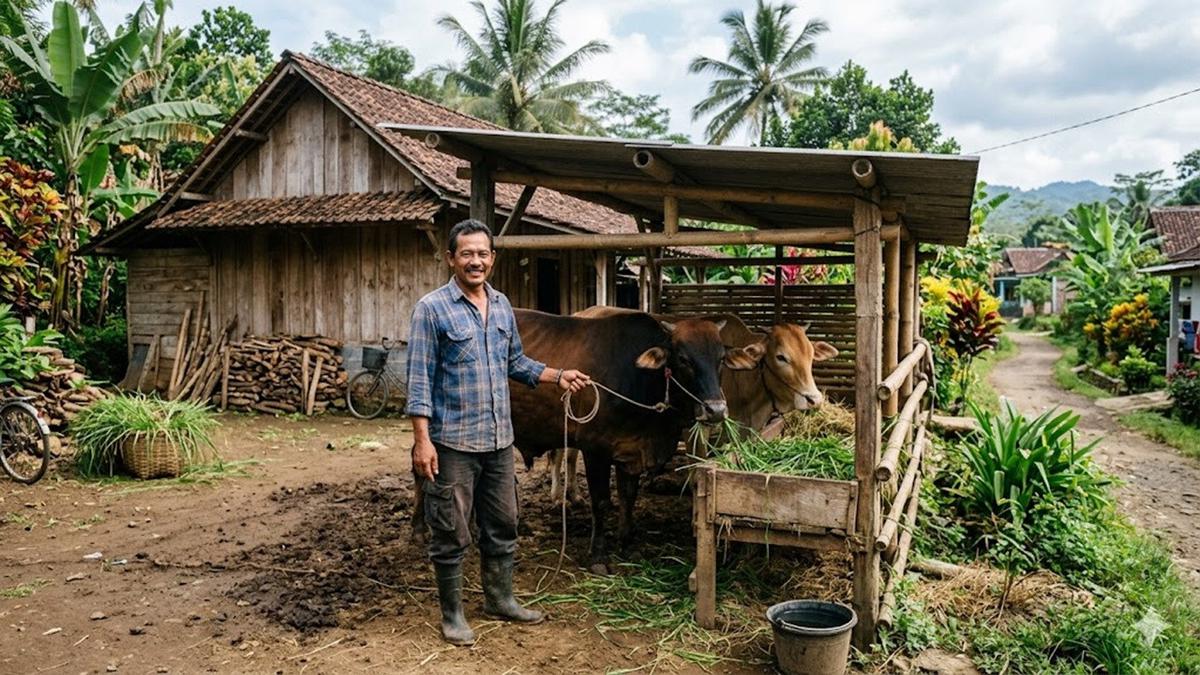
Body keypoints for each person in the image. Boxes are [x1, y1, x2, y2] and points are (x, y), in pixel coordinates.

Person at [405, 218, 591, 645]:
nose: (476, 261)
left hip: (498, 440)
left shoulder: (502, 304)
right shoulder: (431, 309)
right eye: (467, 253)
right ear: (450, 258)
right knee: (451, 529)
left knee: (504, 522)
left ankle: (500, 599)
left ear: (493, 258)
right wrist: (422, 441)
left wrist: (558, 375)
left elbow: (515, 363)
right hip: (453, 442)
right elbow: (418, 382)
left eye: (482, 253)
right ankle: (453, 615)